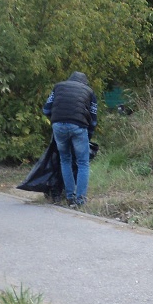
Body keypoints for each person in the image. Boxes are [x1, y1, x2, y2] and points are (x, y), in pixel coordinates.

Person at [42, 71, 98, 208]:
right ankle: (80, 200)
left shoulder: (58, 87)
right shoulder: (89, 92)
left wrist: (58, 122)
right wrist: (88, 135)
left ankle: (69, 197)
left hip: (58, 125)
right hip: (78, 126)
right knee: (83, 163)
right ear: (84, 82)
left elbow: (46, 109)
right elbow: (93, 118)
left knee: (65, 160)